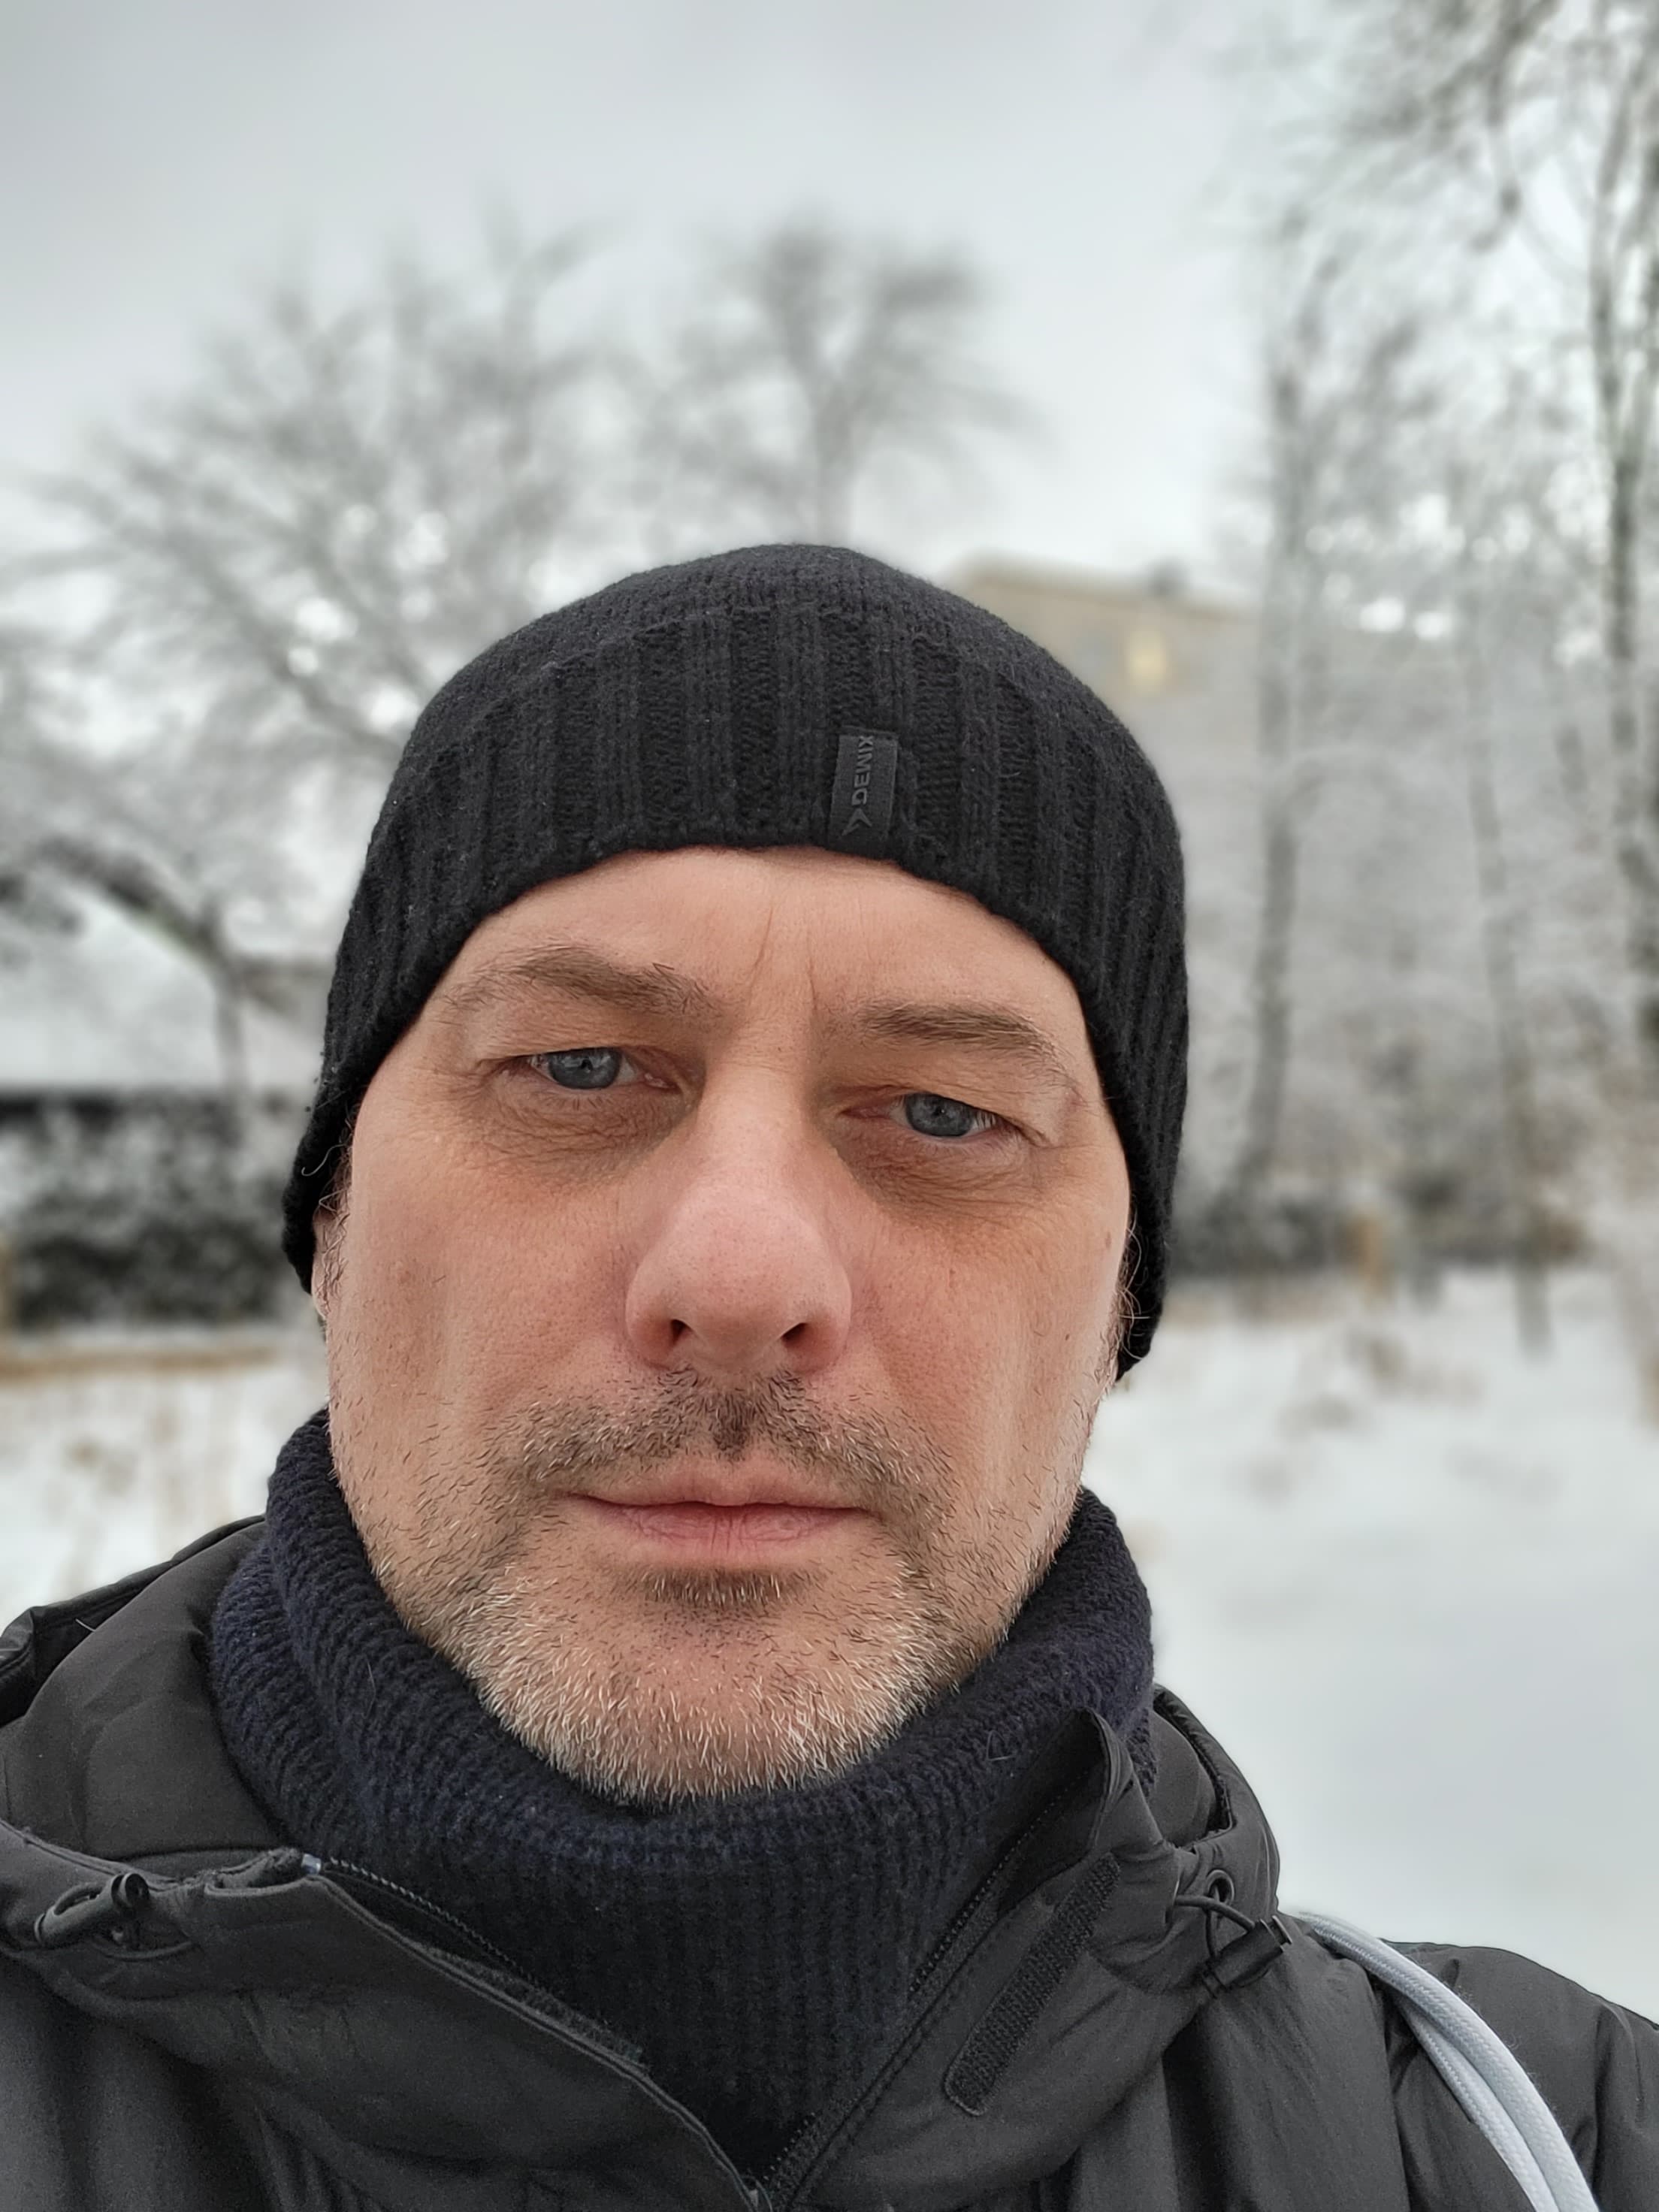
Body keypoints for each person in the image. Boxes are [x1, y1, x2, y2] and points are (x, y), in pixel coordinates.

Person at [0, 544, 1651, 2211]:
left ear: (1119, 1300)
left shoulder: (1529, 2147)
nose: (739, 1280)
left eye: (942, 1112)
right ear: (332, 1219)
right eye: (578, 1066)